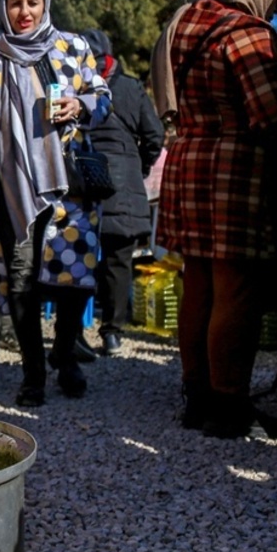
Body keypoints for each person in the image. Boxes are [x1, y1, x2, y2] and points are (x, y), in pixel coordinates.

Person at [153, 0, 277, 439]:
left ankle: (196, 397)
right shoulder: (247, 32)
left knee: (197, 284)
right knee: (236, 290)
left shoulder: (179, 24)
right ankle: (229, 406)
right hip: (234, 171)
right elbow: (271, 115)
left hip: (186, 164)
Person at [0, 0, 111, 407]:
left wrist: (80, 104)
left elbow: (102, 97)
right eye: (15, 3)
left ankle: (65, 355)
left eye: (32, 2)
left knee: (74, 277)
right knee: (20, 280)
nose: (24, 12)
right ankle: (32, 372)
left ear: (44, 4)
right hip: (11, 187)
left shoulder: (72, 47)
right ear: (4, 7)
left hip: (69, 185)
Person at [79, 30, 164, 356]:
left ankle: (72, 333)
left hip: (82, 180)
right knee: (118, 262)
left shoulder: (74, 85)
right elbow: (154, 135)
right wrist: (138, 166)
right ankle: (112, 333)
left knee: (78, 259)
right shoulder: (130, 88)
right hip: (123, 186)